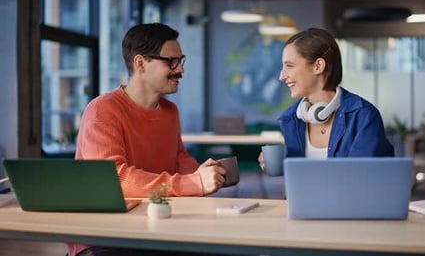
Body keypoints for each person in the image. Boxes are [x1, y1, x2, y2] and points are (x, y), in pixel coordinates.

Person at [68, 23, 226, 256]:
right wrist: (193, 183)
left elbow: (178, 158)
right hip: (105, 236)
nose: (180, 69)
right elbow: (114, 179)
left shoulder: (169, 111)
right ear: (141, 64)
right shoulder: (102, 110)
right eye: (171, 62)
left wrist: (200, 175)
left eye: (181, 61)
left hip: (155, 226)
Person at [259, 28, 393, 170]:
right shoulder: (291, 119)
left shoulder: (364, 116)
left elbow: (364, 177)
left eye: (289, 66)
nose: (282, 76)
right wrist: (282, 165)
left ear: (318, 66)